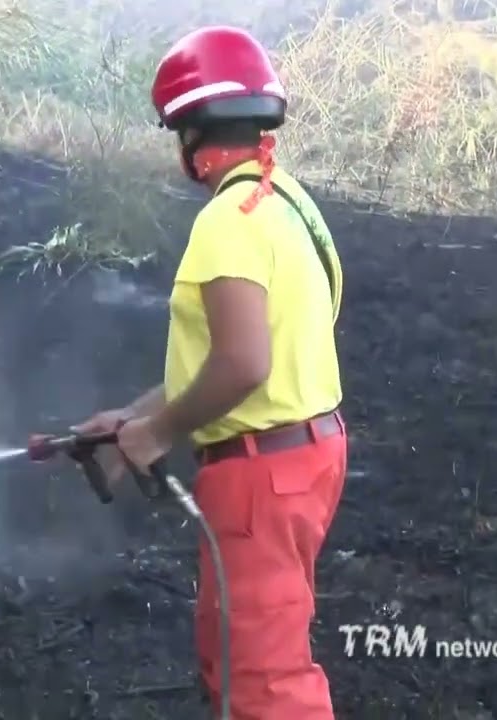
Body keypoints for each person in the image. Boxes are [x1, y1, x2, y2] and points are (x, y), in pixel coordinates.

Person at [72, 26, 347, 720]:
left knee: (263, 685)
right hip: (305, 456)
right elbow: (238, 356)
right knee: (245, 653)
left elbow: (243, 364)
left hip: (259, 478)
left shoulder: (228, 221)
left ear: (193, 132)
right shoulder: (286, 203)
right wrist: (135, 419)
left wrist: (158, 433)